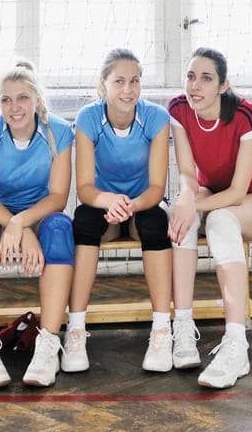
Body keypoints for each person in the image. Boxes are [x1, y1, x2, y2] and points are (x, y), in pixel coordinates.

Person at [167, 47, 252, 389]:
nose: (195, 86)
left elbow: (236, 192)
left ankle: (236, 345)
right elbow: (189, 173)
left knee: (219, 220)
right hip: (212, 191)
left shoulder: (246, 115)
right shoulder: (178, 109)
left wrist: (197, 205)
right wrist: (187, 200)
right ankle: (183, 327)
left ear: (223, 85)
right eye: (190, 76)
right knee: (180, 216)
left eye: (206, 78)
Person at [0, 59, 74, 389]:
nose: (14, 107)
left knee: (59, 230)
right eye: (6, 100)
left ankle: (48, 344)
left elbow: (57, 197)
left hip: (39, 210)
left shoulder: (59, 132)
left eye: (22, 98)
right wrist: (13, 225)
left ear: (37, 99)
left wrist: (23, 225)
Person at [63, 47, 172, 375]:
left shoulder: (156, 118)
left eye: (135, 81)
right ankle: (76, 329)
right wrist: (110, 202)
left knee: (156, 223)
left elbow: (156, 188)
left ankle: (162, 330)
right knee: (83, 220)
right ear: (104, 85)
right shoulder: (87, 118)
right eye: (119, 81)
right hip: (104, 207)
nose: (128, 89)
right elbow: (84, 188)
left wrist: (131, 205)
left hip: (142, 204)